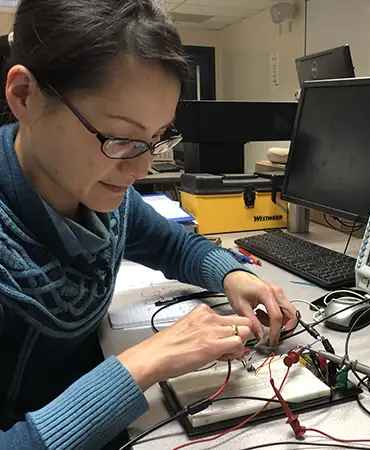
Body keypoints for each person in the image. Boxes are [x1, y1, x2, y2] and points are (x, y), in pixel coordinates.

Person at [0, 0, 298, 448]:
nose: (141, 171)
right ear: (25, 95)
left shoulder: (101, 194)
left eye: (155, 139)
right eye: (120, 139)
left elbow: (174, 247)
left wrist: (234, 274)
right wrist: (144, 363)